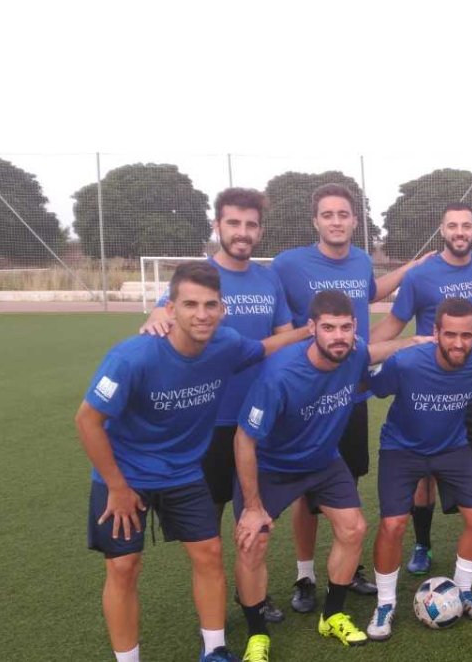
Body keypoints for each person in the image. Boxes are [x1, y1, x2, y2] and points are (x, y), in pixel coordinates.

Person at [74, 262, 308, 662]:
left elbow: (263, 347)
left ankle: (214, 650)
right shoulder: (133, 356)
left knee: (210, 553)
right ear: (171, 307)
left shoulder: (227, 344)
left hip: (182, 472)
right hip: (125, 473)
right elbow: (87, 420)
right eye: (190, 304)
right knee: (124, 567)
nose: (201, 314)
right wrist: (117, 487)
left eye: (210, 305)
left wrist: (310, 330)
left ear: (223, 309)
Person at [232, 290, 425, 660]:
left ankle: (333, 614)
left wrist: (415, 341)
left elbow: (375, 353)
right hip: (274, 466)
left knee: (353, 528)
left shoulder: (353, 353)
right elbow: (244, 439)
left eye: (346, 327)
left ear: (355, 327)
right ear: (311, 329)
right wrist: (253, 506)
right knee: (252, 541)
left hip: (323, 461)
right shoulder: (280, 375)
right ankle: (257, 635)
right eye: (329, 328)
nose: (339, 336)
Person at [139, 187, 292, 622]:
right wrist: (154, 314)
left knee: (254, 519)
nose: (242, 233)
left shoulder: (269, 279)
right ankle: (214, 612)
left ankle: (253, 598)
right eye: (233, 223)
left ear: (259, 230)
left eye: (250, 225)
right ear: (217, 226)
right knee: (208, 528)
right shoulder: (197, 276)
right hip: (203, 424)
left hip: (256, 422)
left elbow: (281, 337)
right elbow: (162, 317)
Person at [271, 183, 425, 608]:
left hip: (350, 393)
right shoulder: (288, 264)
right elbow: (240, 278)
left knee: (348, 479)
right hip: (306, 395)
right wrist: (161, 304)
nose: (336, 222)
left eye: (344, 215)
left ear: (355, 221)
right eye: (328, 215)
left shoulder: (359, 260)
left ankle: (348, 565)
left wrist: (411, 268)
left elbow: (370, 292)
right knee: (306, 491)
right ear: (315, 221)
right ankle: (304, 577)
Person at [370, 202, 472, 573]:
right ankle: (423, 544)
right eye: (453, 226)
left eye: (466, 225)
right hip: (428, 388)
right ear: (442, 230)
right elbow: (396, 322)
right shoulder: (421, 275)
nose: (460, 232)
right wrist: (358, 352)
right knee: (424, 471)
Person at [366, 298, 472, 640]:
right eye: (449, 334)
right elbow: (372, 385)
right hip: (401, 448)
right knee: (392, 524)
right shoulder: (405, 364)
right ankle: (385, 603)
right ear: (435, 333)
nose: (458, 343)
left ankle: (462, 590)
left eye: (466, 335)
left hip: (452, 447)